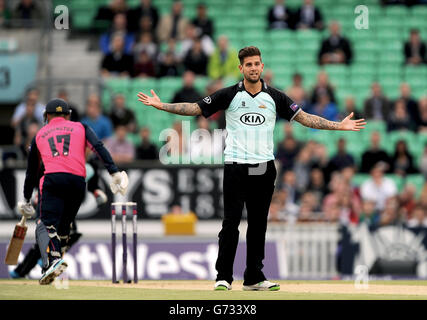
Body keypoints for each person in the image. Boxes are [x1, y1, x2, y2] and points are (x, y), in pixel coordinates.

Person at [137, 46, 366, 291]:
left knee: (258, 225)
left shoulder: (276, 97)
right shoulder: (230, 94)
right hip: (236, 165)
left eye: (257, 64)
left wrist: (338, 126)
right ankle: (223, 277)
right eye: (249, 65)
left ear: (262, 66)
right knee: (231, 223)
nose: (253, 68)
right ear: (241, 68)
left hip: (263, 166)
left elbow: (306, 118)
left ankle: (253, 277)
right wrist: (162, 106)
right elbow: (195, 108)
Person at [19, 98, 128, 285]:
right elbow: (99, 147)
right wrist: (114, 171)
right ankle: (51, 265)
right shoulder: (81, 127)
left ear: (46, 115)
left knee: (45, 224)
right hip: (78, 182)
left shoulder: (39, 135)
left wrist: (27, 198)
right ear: (68, 115)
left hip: (52, 179)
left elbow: (31, 173)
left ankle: (51, 262)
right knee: (64, 227)